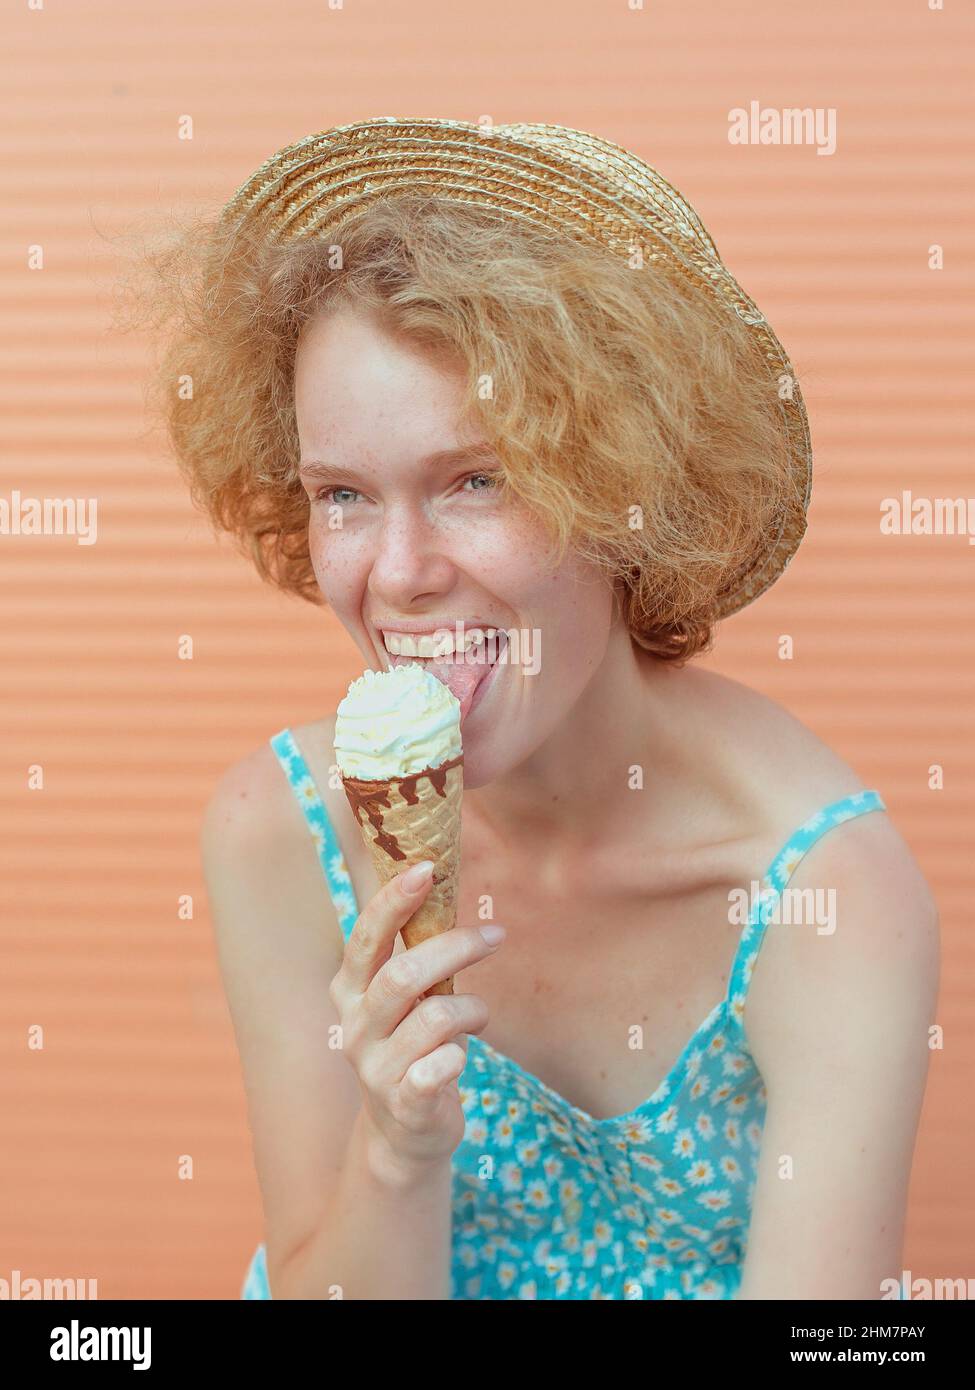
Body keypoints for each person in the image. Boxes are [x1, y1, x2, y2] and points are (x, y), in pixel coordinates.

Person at [145, 120, 939, 1299]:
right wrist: (399, 1152)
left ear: (621, 488)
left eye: (478, 479)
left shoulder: (823, 893)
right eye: (344, 495)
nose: (400, 572)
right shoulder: (279, 832)